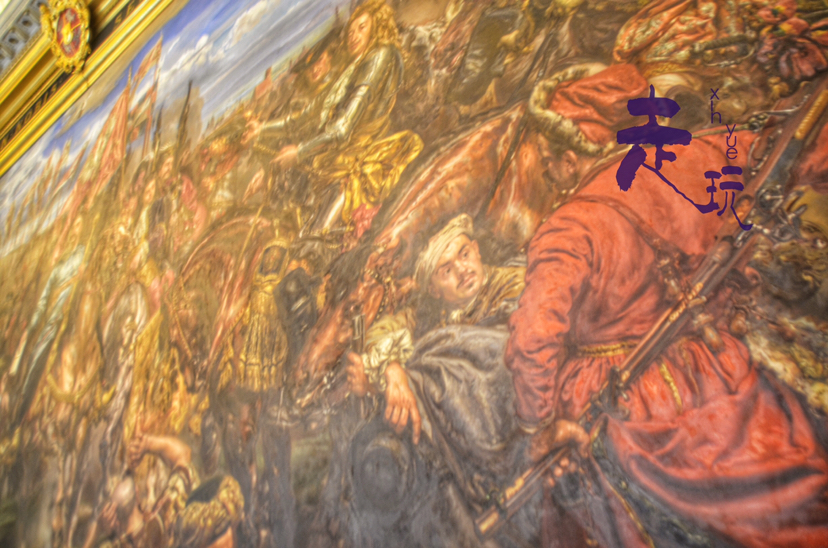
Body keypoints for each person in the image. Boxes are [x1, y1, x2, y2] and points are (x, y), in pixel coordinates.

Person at [505, 64, 828, 547]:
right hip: (721, 371)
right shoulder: (698, 155)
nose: (551, 175)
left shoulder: (568, 227)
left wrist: (537, 424)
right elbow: (801, 149)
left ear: (568, 157)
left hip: (629, 407)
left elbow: (534, 336)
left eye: (548, 163)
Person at [347, 213, 525, 443]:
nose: (462, 270)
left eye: (464, 254)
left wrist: (380, 385)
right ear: (433, 290)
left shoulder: (516, 285)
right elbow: (379, 333)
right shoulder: (428, 315)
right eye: (446, 270)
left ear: (476, 250)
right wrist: (391, 369)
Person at [262, 0, 423, 236]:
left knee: (314, 241)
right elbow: (303, 118)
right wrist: (260, 129)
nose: (353, 36)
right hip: (333, 160)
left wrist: (300, 152)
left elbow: (342, 129)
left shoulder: (381, 55)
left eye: (362, 27)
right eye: (351, 31)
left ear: (377, 27)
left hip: (356, 162)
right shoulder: (351, 69)